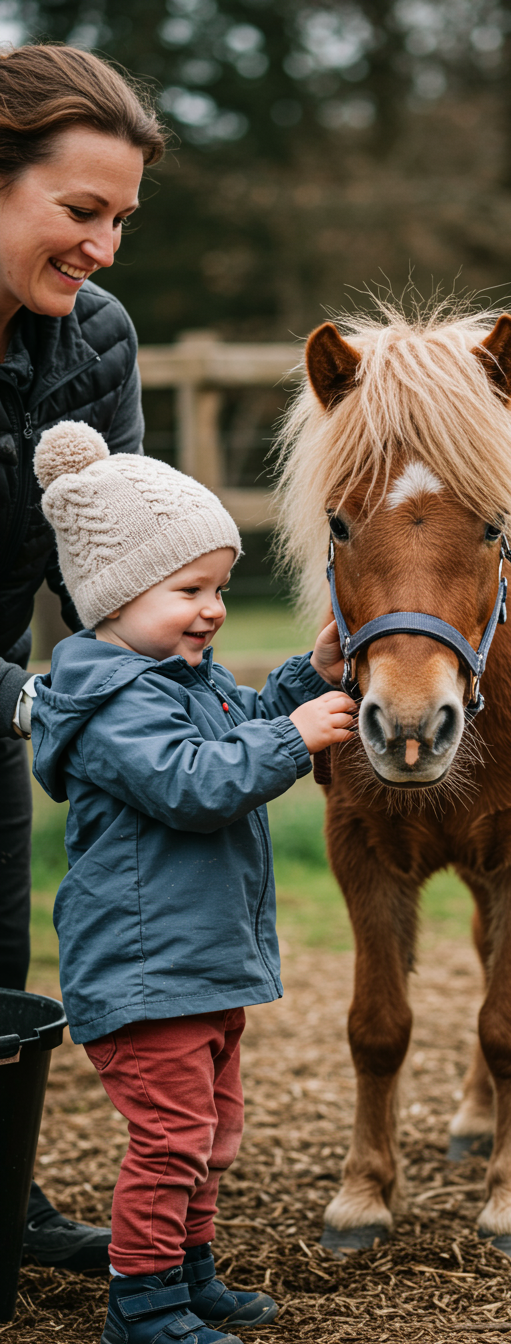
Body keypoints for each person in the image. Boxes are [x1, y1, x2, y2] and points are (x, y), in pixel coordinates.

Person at [30, 419, 356, 1344]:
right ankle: (141, 1309)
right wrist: (295, 737)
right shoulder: (113, 705)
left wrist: (307, 678)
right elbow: (195, 782)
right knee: (172, 1137)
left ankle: (187, 1269)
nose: (211, 610)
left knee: (210, 1134)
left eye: (217, 588)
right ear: (116, 599)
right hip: (144, 971)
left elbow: (242, 721)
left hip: (197, 962)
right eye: (188, 591)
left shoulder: (176, 677)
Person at [0, 43, 165, 1270]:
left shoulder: (92, 336)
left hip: (2, 678)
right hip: (5, 692)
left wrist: (186, 687)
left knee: (1, 969)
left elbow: (109, 564)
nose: (103, 246)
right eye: (78, 211)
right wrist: (34, 706)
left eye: (120, 219)